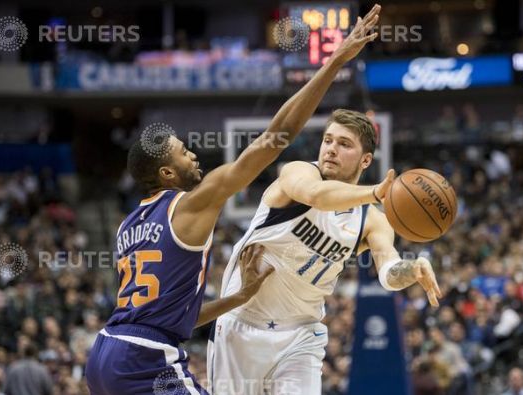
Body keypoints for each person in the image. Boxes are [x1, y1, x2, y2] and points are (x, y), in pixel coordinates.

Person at [85, 6, 382, 394]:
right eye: (181, 152)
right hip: (146, 357)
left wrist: (239, 297)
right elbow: (277, 137)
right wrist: (334, 62)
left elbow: (173, 319)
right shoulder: (190, 204)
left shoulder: (129, 226)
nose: (192, 154)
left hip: (105, 353)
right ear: (167, 174)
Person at [208, 106, 443, 394]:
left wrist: (412, 268)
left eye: (344, 144)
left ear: (366, 159)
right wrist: (374, 192)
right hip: (242, 323)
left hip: (301, 335)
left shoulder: (372, 221)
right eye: (328, 140)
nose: (331, 149)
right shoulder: (298, 172)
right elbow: (317, 197)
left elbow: (389, 272)